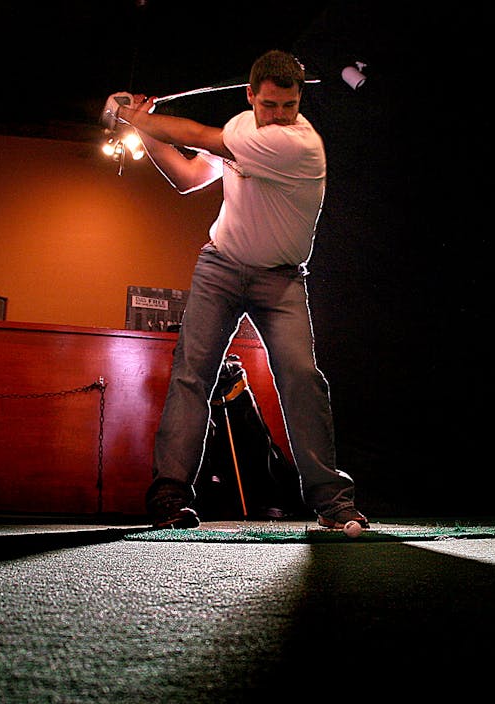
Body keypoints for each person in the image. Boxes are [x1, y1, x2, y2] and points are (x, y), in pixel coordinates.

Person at [104, 49, 365, 531]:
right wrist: (142, 125)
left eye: (289, 106)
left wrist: (130, 114)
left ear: (299, 101)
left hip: (281, 280)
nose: (280, 117)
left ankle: (333, 503)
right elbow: (186, 176)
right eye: (270, 106)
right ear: (251, 97)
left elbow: (195, 137)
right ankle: (169, 497)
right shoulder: (242, 129)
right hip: (220, 267)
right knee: (191, 375)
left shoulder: (299, 146)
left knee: (301, 379)